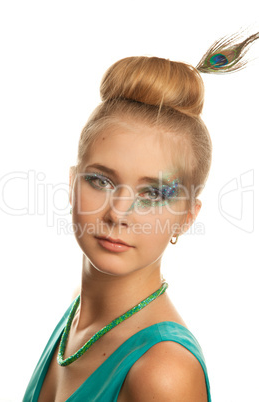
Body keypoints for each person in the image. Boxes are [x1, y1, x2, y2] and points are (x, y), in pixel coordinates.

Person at [24, 29, 259, 401]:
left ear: (187, 216)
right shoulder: (77, 317)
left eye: (153, 193)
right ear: (72, 183)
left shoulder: (164, 371)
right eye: (101, 181)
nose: (118, 213)